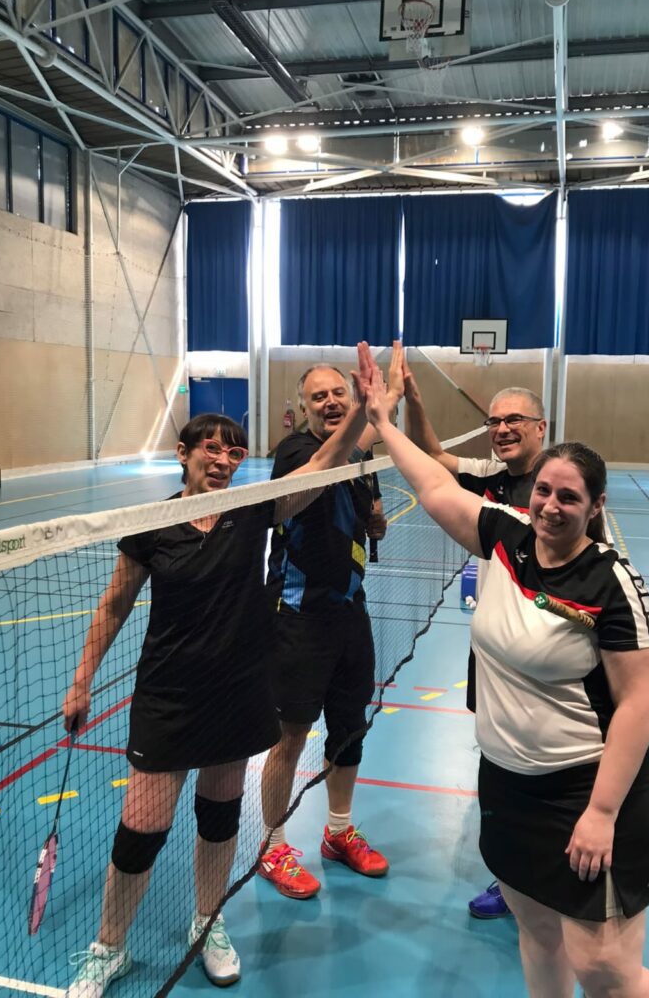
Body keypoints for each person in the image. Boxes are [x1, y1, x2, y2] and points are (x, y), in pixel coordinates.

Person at [62, 365, 376, 997]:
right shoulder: (152, 522)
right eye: (211, 447)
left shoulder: (252, 510)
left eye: (234, 452)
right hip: (169, 694)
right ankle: (108, 947)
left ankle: (207, 923)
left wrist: (365, 411)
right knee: (141, 829)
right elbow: (115, 604)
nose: (224, 459)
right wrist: (81, 681)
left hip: (238, 690)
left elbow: (321, 467)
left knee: (219, 817)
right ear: (183, 453)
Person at [365, 365, 649, 998]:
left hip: (583, 792)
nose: (551, 506)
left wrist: (602, 813)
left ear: (596, 506)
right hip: (506, 785)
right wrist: (382, 425)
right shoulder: (506, 537)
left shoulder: (610, 584)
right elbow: (434, 484)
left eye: (569, 498)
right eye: (544, 492)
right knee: (537, 934)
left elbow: (641, 701)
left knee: (604, 971)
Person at [258, 343, 404, 899]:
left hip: (350, 612)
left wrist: (374, 522)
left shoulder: (358, 457)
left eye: (338, 393)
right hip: (299, 619)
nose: (330, 402)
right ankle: (273, 845)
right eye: (318, 397)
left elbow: (360, 497)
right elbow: (324, 467)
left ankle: (338, 831)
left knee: (349, 727)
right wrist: (368, 410)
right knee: (291, 735)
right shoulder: (295, 452)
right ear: (303, 408)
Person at [403, 357, 546, 918]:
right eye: (494, 421)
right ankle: (512, 876)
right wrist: (414, 401)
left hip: (544, 653)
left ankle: (543, 874)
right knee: (497, 757)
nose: (502, 428)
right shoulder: (492, 477)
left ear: (541, 427)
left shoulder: (559, 483)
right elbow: (431, 457)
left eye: (514, 420)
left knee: (541, 763)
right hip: (491, 646)